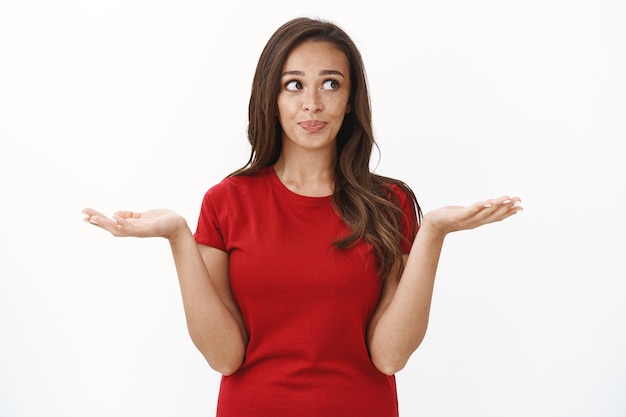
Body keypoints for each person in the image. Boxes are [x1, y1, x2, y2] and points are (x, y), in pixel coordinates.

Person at [83, 17, 522, 417]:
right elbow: (224, 357)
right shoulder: (226, 202)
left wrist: (434, 234)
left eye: (331, 84)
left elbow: (390, 356)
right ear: (271, 97)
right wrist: (178, 236)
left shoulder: (389, 204)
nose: (312, 103)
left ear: (350, 100)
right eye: (294, 85)